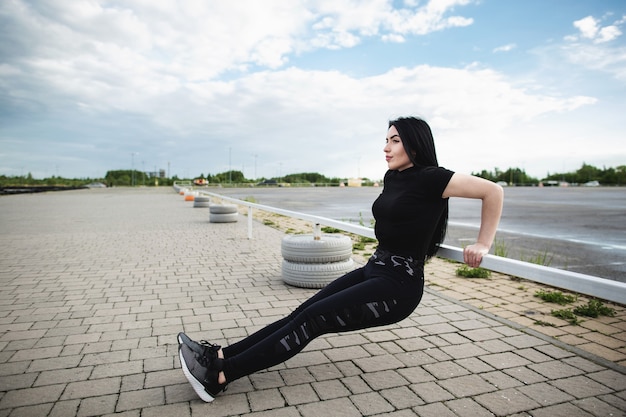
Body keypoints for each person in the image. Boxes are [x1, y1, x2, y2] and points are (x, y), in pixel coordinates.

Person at [177, 116, 504, 402]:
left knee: (312, 321)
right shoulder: (393, 177)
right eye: (385, 141)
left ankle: (219, 378)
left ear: (415, 146)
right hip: (375, 268)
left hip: (398, 286)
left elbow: (493, 191)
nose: (386, 148)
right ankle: (220, 356)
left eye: (394, 140)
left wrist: (482, 243)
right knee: (302, 311)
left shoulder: (433, 178)